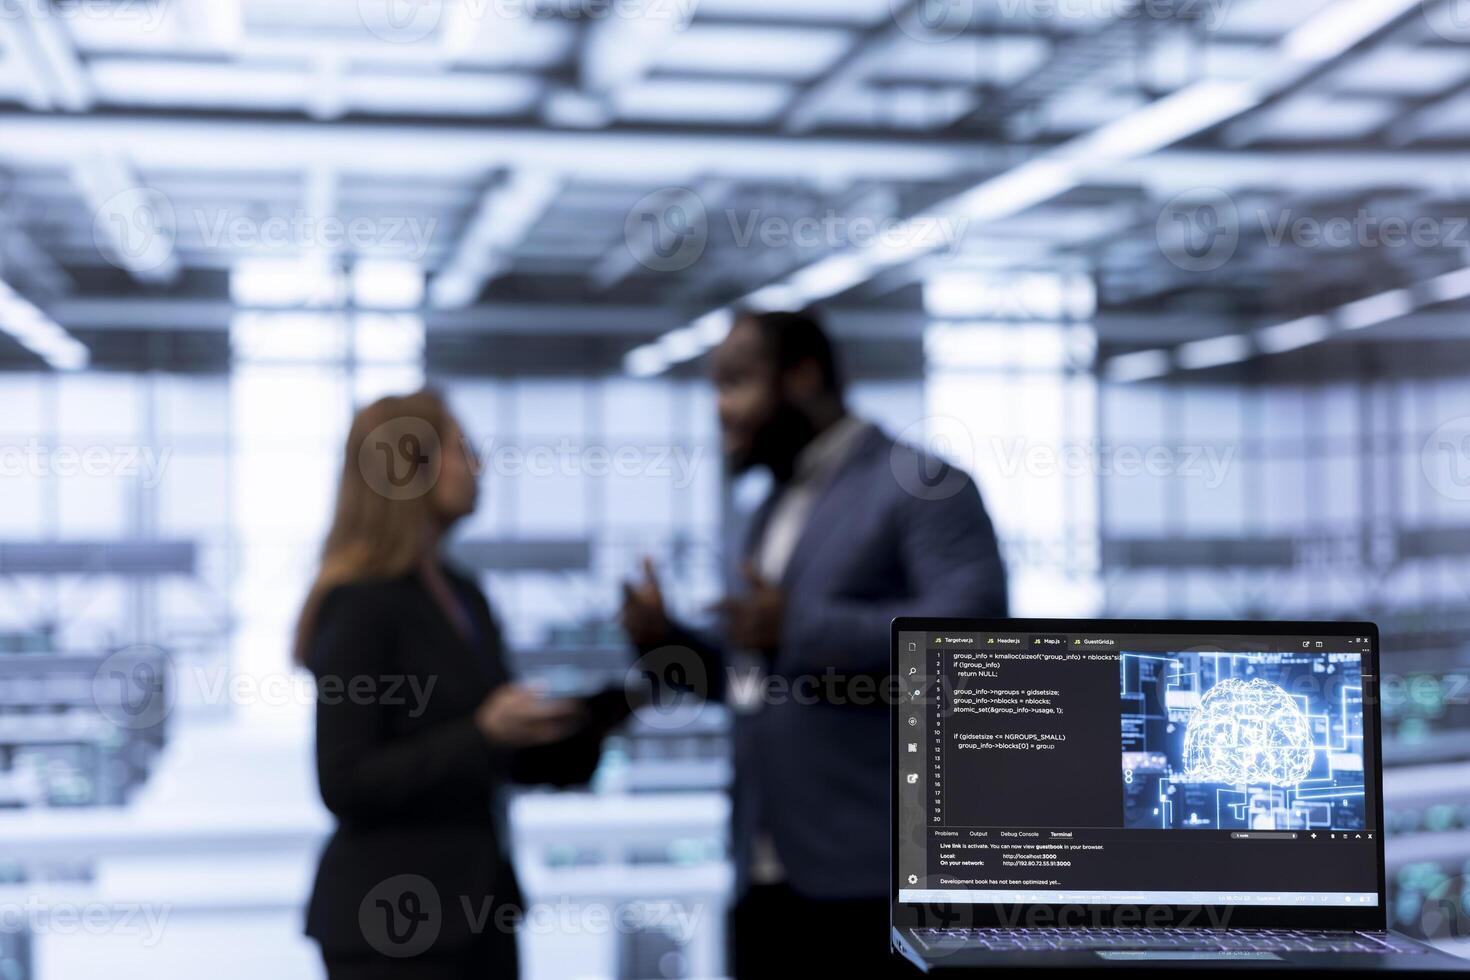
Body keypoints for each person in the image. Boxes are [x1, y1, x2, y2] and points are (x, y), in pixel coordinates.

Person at [621, 310, 1008, 978]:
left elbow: (971, 642)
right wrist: (668, 646)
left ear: (802, 377)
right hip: (765, 869)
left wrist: (795, 625)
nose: (721, 409)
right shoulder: (768, 506)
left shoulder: (920, 487)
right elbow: (761, 678)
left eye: (736, 382)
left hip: (873, 879)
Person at [296, 390, 599, 980]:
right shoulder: (360, 604)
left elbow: (497, 754)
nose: (479, 467)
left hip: (477, 911)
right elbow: (345, 781)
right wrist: (482, 734)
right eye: (464, 451)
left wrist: (587, 723)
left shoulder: (463, 594)